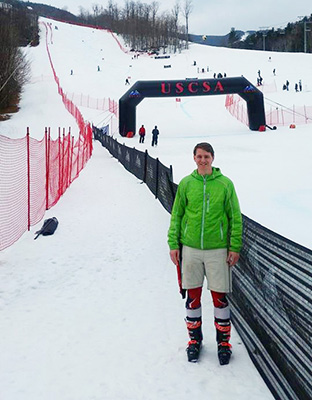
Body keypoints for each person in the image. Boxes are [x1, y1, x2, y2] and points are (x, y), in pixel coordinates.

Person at [167, 142, 242, 365]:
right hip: (190, 249)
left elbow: (235, 217)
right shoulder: (187, 184)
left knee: (220, 299)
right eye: (199, 156)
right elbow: (177, 215)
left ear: (213, 158)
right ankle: (194, 341)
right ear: (194, 158)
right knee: (193, 298)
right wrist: (174, 244)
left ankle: (224, 343)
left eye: (206, 156)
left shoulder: (225, 185)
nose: (203, 160)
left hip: (217, 250)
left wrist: (234, 246)